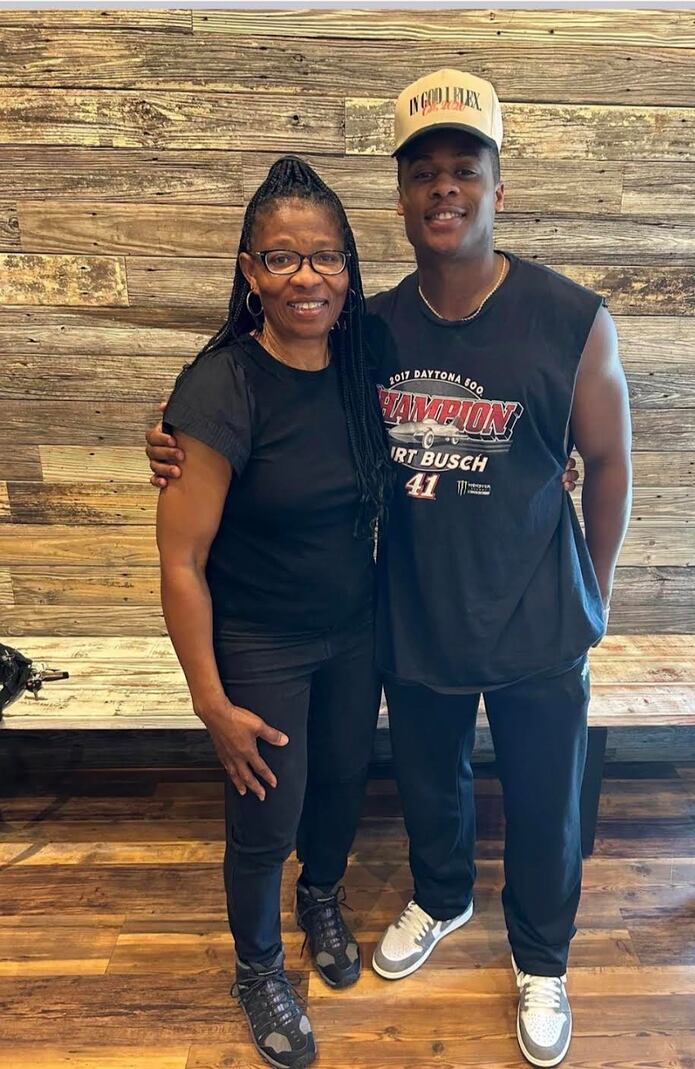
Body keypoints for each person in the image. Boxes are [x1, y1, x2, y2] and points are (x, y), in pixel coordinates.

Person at [147, 70, 631, 1069]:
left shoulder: (571, 317)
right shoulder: (369, 328)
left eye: (465, 169)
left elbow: (611, 459)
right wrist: (173, 431)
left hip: (538, 617)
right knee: (428, 787)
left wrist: (595, 585)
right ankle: (442, 897)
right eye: (422, 174)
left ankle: (542, 959)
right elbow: (263, 375)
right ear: (402, 201)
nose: (443, 188)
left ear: (497, 186)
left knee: (544, 803)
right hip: (411, 613)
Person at [155, 156, 394, 1069]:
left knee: (340, 784)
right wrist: (211, 702)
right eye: (284, 257)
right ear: (250, 270)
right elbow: (180, 562)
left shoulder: (363, 359)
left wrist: (555, 457)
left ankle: (321, 896)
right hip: (261, 642)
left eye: (325, 256)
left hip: (354, 628)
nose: (307, 277)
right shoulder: (222, 387)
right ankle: (257, 969)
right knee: (266, 818)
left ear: (348, 268)